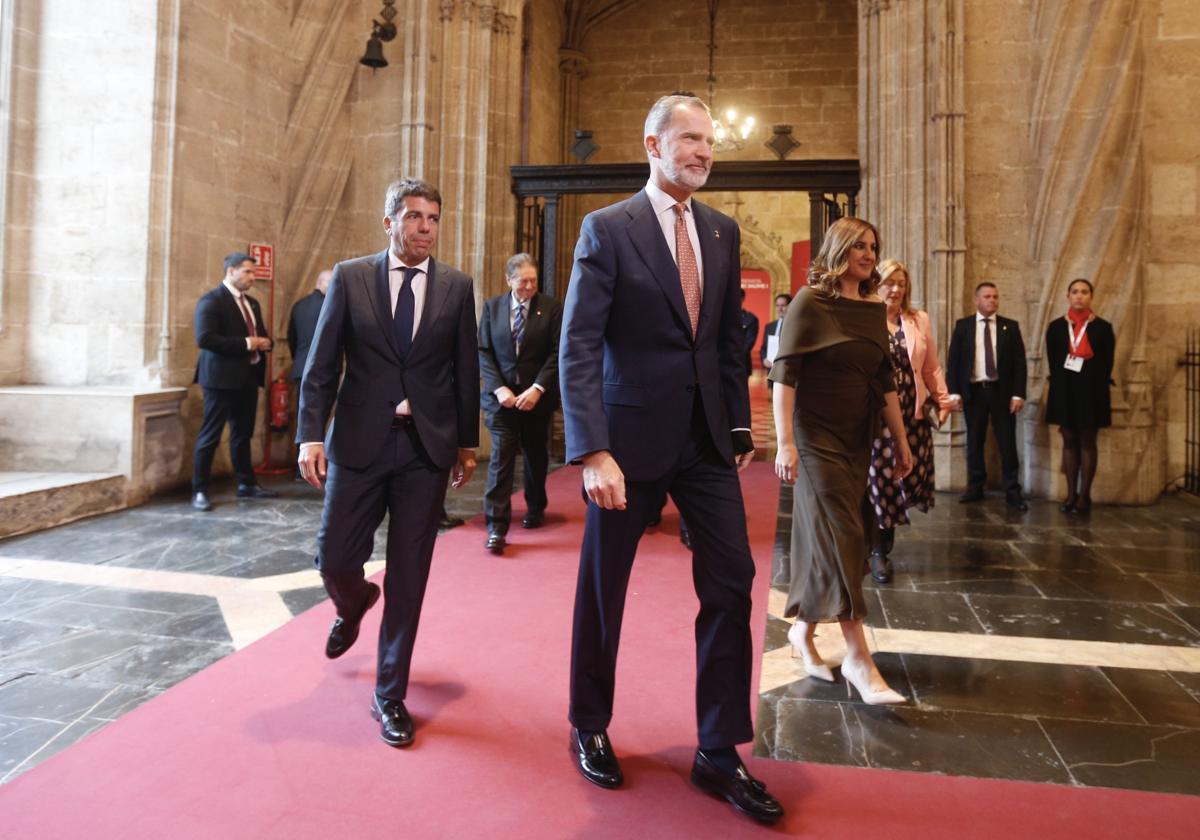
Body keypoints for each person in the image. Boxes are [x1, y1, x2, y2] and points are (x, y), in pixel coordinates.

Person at [558, 94, 783, 824]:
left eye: (710, 141)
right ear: (652, 143)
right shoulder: (607, 228)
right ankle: (589, 721)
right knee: (605, 588)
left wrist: (737, 430)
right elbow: (581, 345)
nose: (705, 151)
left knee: (733, 580)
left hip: (704, 445)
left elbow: (722, 343)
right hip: (625, 443)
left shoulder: (720, 231)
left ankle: (718, 750)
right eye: (690, 138)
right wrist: (592, 450)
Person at [296, 178, 479, 749]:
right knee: (334, 555)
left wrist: (466, 442)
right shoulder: (351, 277)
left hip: (424, 448)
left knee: (409, 571)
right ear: (389, 223)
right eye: (414, 217)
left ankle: (389, 692)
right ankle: (352, 603)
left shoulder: (456, 286)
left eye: (433, 218)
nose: (425, 227)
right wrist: (309, 435)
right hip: (357, 442)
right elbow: (323, 363)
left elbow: (465, 370)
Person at [770, 217, 912, 704]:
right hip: (815, 438)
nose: (869, 254)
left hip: (857, 439)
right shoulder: (811, 301)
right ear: (838, 250)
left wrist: (901, 441)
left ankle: (802, 632)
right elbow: (784, 375)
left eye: (873, 246)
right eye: (859, 246)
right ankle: (856, 654)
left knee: (832, 533)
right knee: (846, 534)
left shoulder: (873, 307)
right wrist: (785, 442)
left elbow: (885, 381)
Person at [864, 260, 955, 583]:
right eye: (889, 282)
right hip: (876, 417)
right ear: (876, 285)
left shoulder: (918, 320)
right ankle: (878, 552)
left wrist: (942, 399)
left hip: (911, 414)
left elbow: (930, 367)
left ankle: (877, 545)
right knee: (880, 483)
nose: (896, 289)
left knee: (901, 483)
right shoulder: (864, 317)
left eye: (901, 283)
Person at [478, 253, 563, 554]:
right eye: (523, 281)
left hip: (535, 400)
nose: (529, 286)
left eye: (533, 281)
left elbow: (557, 352)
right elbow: (483, 351)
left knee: (535, 455)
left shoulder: (551, 308)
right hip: (501, 401)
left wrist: (538, 388)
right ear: (509, 280)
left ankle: (535, 507)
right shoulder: (493, 308)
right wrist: (499, 388)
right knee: (501, 458)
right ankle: (496, 527)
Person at [191, 252, 279, 512]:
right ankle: (199, 490)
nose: (253, 277)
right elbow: (205, 339)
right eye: (248, 272)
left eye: (253, 272)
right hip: (219, 380)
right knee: (210, 435)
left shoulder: (252, 303)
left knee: (243, 435)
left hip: (247, 378)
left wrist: (266, 342)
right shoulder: (212, 300)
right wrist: (249, 343)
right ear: (231, 271)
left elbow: (260, 333)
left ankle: (246, 483)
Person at [946, 282, 1029, 510]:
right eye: (987, 297)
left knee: (1007, 443)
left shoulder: (1009, 327)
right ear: (977, 300)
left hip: (1002, 393)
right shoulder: (963, 326)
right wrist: (954, 392)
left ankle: (1013, 491)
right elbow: (953, 362)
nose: (992, 300)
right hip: (974, 393)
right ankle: (975, 487)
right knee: (974, 442)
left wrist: (1018, 394)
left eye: (995, 297)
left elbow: (1019, 364)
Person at [1044, 278, 1114, 515]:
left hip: (1091, 393)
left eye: (1084, 292)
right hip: (1064, 392)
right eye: (1075, 292)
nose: (1079, 296)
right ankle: (1070, 492)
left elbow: (1107, 364)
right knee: (1069, 439)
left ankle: (1085, 495)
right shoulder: (1055, 327)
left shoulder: (1103, 328)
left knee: (1087, 440)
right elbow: (1053, 362)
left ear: (1091, 297)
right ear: (1068, 296)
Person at [287, 269, 333, 480]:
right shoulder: (329, 305)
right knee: (320, 417)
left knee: (303, 415)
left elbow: (291, 338)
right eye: (331, 283)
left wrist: (299, 362)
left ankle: (300, 468)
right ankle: (318, 466)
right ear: (321, 283)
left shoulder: (299, 305)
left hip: (300, 367)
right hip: (325, 369)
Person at [759, 293, 792, 375]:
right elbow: (764, 348)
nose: (780, 309)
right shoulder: (769, 326)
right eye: (777, 306)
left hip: (787, 371)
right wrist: (764, 359)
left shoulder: (795, 326)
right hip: (771, 371)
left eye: (783, 305)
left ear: (790, 306)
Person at [740, 289, 759, 375]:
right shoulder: (721, 316)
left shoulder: (750, 319)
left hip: (741, 363)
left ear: (742, 298)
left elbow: (749, 343)